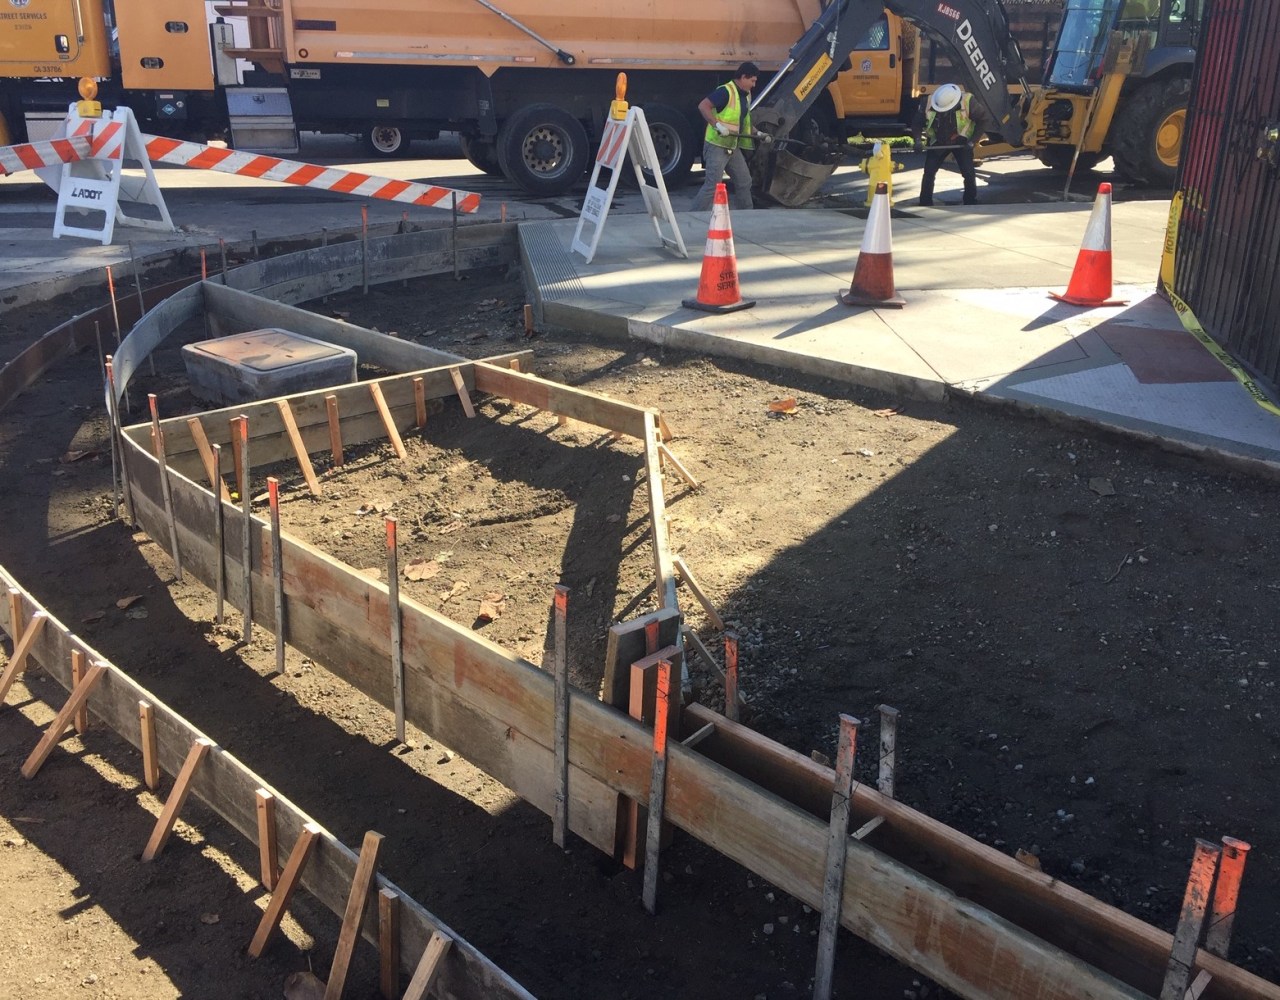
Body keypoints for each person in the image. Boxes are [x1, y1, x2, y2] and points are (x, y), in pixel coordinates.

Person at [692, 62, 760, 212]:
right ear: (743, 77)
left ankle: (748, 215)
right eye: (752, 81)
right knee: (712, 185)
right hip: (717, 145)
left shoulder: (746, 95)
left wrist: (757, 132)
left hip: (731, 145)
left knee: (744, 181)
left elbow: (743, 120)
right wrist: (717, 125)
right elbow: (703, 106)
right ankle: (692, 217)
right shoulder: (725, 91)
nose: (754, 85)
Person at [914, 82, 993, 207]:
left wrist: (973, 141)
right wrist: (918, 140)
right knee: (929, 172)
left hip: (961, 141)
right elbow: (917, 123)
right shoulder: (928, 102)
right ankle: (925, 201)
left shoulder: (968, 102)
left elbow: (984, 120)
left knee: (968, 172)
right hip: (938, 140)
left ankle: (970, 200)